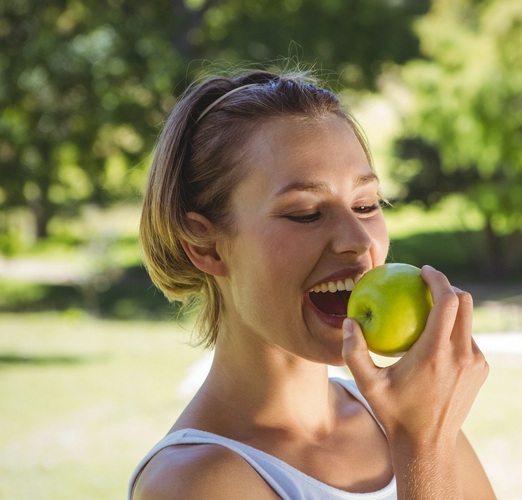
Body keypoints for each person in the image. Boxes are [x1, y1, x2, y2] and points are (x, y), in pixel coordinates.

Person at [128, 69, 494, 499]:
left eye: (365, 204)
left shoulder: (406, 417)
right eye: (304, 212)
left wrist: (425, 434)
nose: (357, 241)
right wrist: (423, 448)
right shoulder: (195, 481)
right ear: (206, 246)